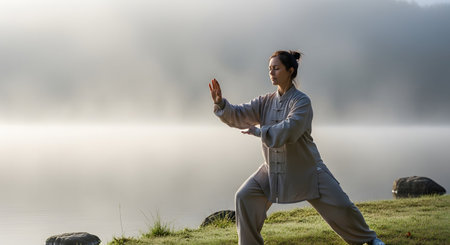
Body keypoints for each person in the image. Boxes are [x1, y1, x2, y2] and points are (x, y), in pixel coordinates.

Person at [208, 50, 385, 245]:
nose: (271, 73)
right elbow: (240, 114)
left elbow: (290, 129)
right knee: (245, 196)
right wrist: (221, 104)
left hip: (307, 169)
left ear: (290, 70)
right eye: (269, 69)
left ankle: (370, 239)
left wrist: (260, 132)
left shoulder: (301, 101)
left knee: (342, 206)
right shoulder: (265, 101)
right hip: (273, 169)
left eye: (276, 68)